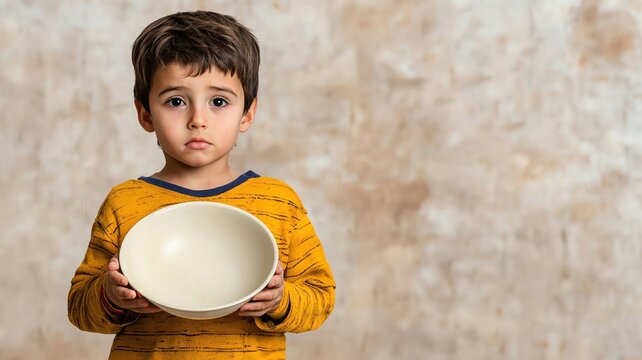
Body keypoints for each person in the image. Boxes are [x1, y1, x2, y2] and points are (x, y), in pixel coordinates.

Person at [67, 10, 335, 359]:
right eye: (176, 101)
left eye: (219, 101)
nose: (198, 120)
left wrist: (281, 299)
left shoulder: (278, 202)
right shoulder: (125, 202)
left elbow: (321, 296)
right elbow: (79, 308)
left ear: (248, 114)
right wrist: (110, 295)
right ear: (145, 114)